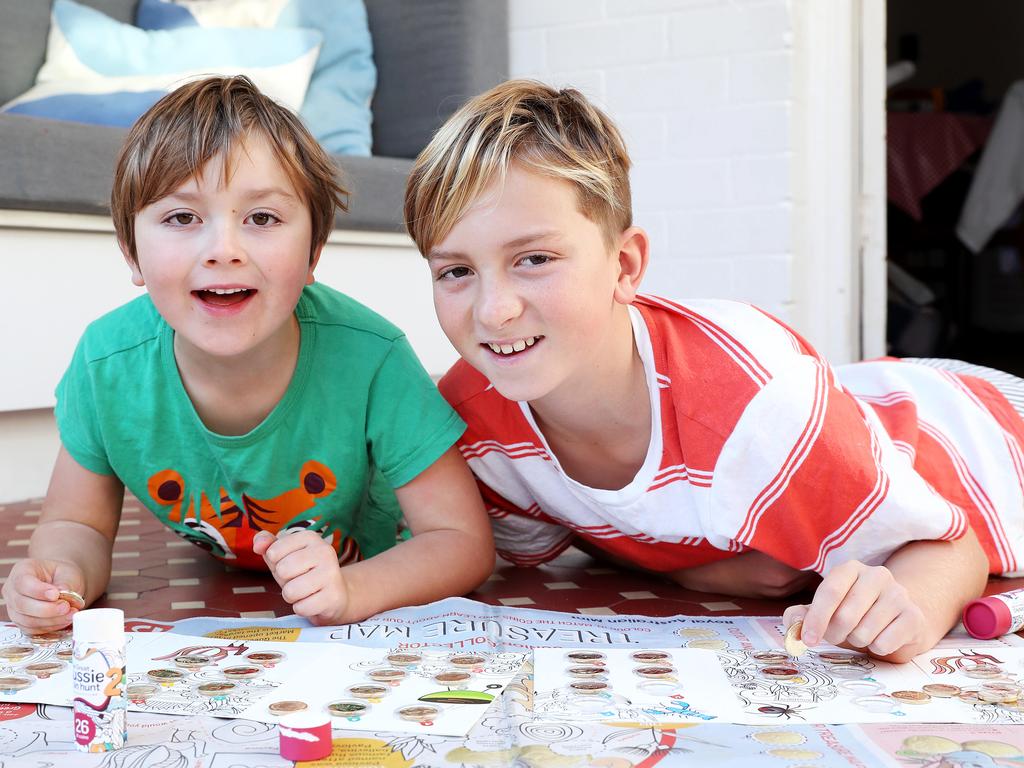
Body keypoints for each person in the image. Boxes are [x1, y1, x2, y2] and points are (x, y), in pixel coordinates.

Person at [404, 79, 1024, 663]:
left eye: (534, 258)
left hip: (982, 433)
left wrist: (907, 607)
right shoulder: (474, 417)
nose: (494, 310)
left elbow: (951, 545)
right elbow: (577, 535)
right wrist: (689, 567)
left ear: (624, 265)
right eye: (455, 271)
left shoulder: (759, 410)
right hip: (848, 410)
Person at [3, 76, 494, 633]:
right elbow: (77, 524)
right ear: (132, 254)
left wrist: (352, 589)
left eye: (262, 218)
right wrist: (59, 578)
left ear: (314, 253)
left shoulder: (373, 358)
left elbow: (460, 542)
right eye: (182, 218)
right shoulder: (106, 365)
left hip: (379, 568)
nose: (223, 251)